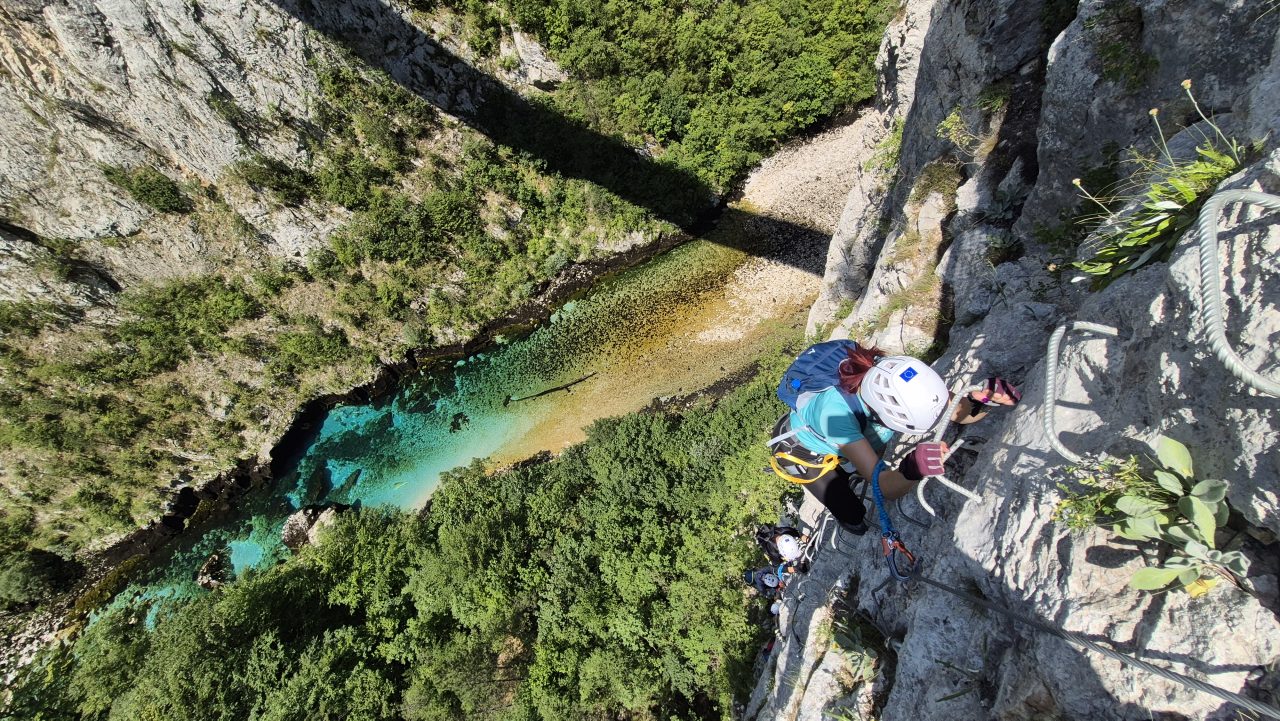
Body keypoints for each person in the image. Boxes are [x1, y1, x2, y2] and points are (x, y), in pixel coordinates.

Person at [770, 343, 1020, 534]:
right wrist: (912, 469)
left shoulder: (897, 376)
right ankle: (851, 503)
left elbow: (955, 411)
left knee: (865, 456)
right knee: (854, 515)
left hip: (840, 430)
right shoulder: (835, 415)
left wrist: (981, 398)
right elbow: (885, 487)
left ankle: (852, 464)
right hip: (800, 451)